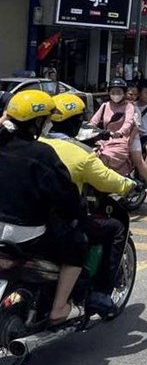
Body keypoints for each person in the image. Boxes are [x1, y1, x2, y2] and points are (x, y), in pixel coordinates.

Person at [42, 93, 137, 313]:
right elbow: (107, 180)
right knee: (115, 228)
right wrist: (130, 185)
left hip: (29, 215)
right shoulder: (80, 155)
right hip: (59, 221)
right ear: (76, 122)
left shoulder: (34, 144)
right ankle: (99, 292)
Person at [0, 90, 87, 326]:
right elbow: (66, 198)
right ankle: (59, 308)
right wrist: (77, 213)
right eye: (46, 120)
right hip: (25, 233)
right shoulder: (42, 154)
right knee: (77, 244)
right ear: (37, 122)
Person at [90, 78, 136, 175]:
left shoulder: (129, 106)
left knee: (104, 157)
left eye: (118, 92)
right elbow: (93, 121)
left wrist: (120, 132)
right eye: (113, 92)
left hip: (120, 141)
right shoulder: (105, 106)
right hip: (102, 140)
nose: (115, 94)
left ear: (124, 93)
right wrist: (87, 129)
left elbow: (128, 122)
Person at [125, 84, 147, 200]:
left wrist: (129, 139)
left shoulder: (135, 108)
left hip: (134, 137)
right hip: (116, 138)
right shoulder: (109, 105)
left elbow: (137, 127)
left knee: (139, 158)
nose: (132, 97)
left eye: (135, 95)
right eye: (130, 94)